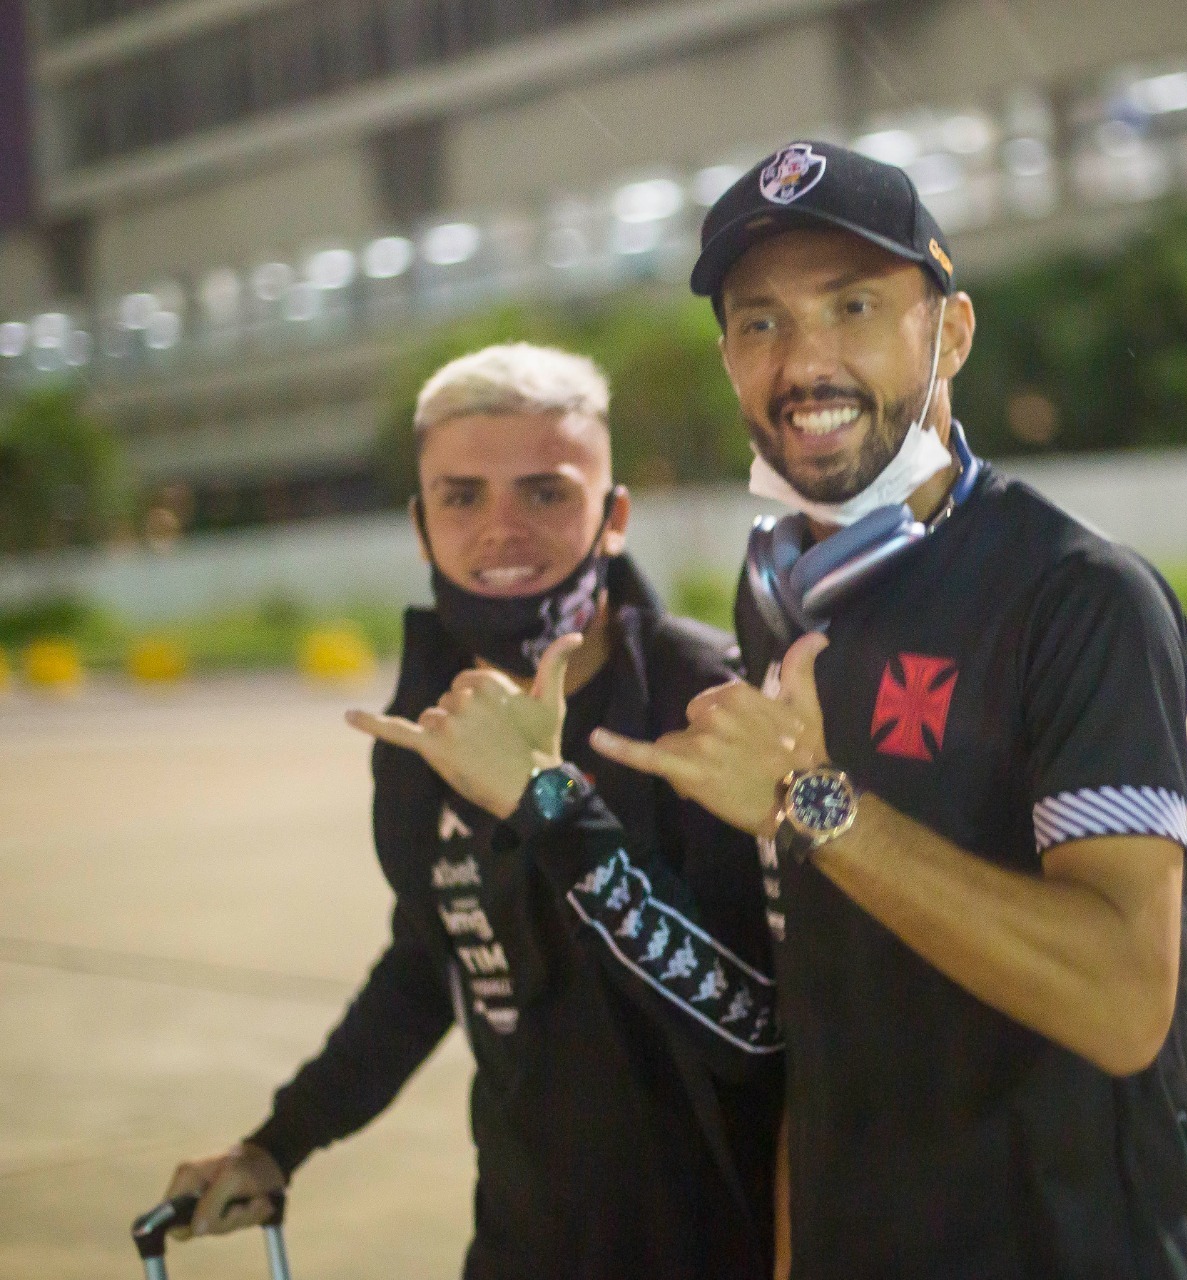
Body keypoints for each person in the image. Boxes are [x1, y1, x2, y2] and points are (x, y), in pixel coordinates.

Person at [590, 142, 1187, 1279]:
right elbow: (822, 997)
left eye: (855, 306)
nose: (804, 362)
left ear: (951, 333)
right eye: (761, 322)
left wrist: (813, 803)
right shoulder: (780, 596)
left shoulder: (1079, 597)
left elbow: (1125, 997)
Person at [161, 342, 782, 1280]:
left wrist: (548, 801)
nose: (503, 530)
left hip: (714, 1250)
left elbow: (757, 1027)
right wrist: (279, 1143)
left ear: (613, 517)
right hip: (521, 1244)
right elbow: (433, 957)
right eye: (461, 497)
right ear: (420, 526)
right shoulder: (426, 733)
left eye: (545, 492)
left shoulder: (709, 705)